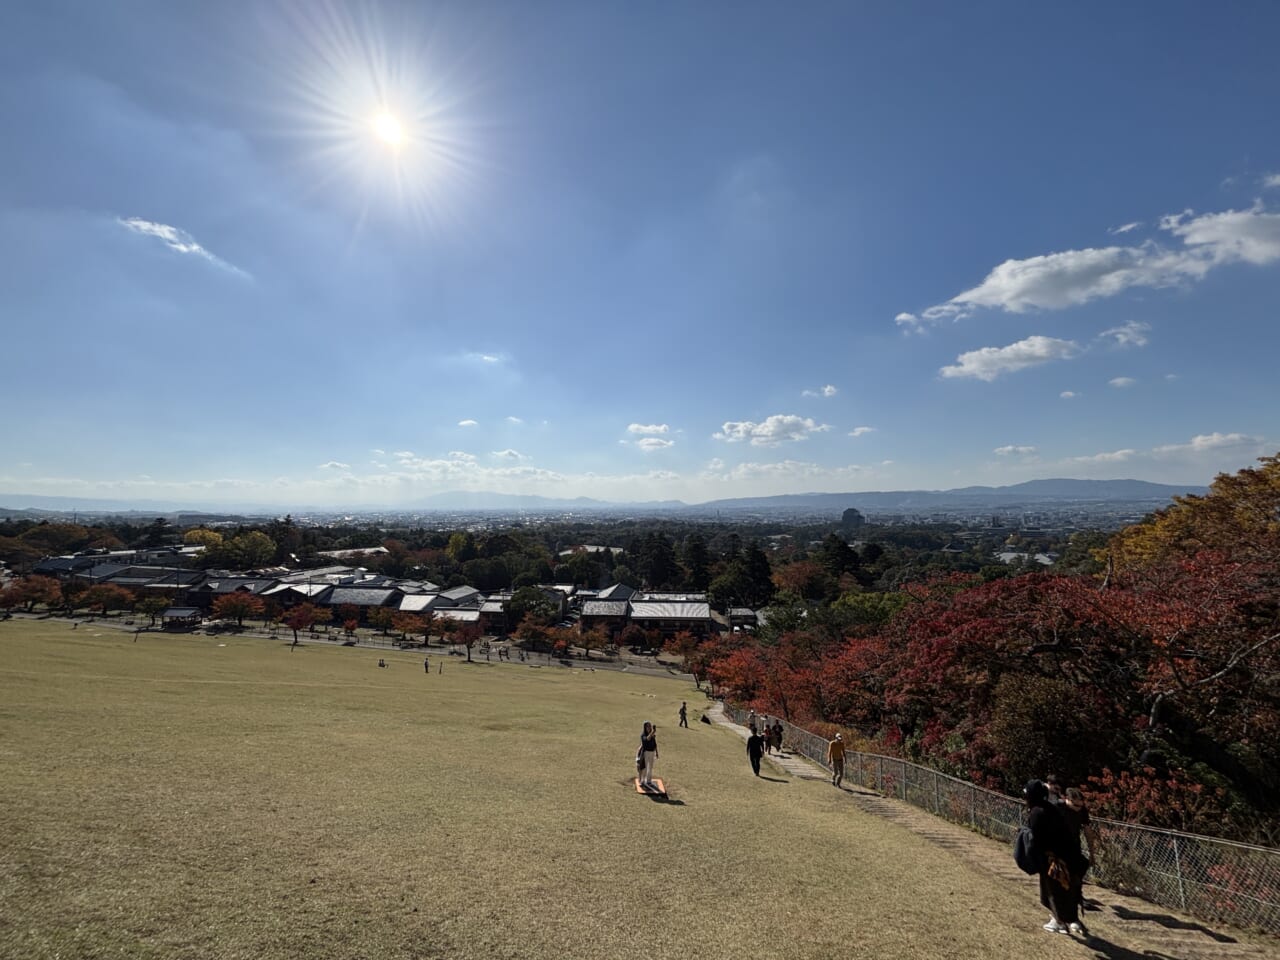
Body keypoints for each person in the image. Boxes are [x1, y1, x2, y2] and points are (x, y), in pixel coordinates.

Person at [1024, 779, 1083, 937]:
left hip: (1055, 859)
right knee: (1062, 890)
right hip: (1068, 855)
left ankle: (1059, 922)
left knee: (1054, 890)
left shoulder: (1037, 812)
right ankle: (1064, 920)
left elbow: (1037, 839)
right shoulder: (1050, 808)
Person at [1063, 787, 1101, 925]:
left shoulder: (1082, 811)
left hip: (1074, 846)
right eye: (1075, 805)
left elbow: (1087, 831)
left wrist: (1092, 853)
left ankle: (1077, 897)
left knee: (1080, 868)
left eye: (1080, 805)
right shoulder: (1058, 808)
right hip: (1059, 847)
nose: (1078, 808)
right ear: (1067, 799)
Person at [639, 721, 659, 786]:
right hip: (646, 753)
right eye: (648, 726)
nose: (649, 727)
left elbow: (655, 744)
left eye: (650, 726)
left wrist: (656, 752)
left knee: (650, 767)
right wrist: (652, 732)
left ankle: (649, 781)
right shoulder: (643, 735)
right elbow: (647, 739)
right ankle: (642, 781)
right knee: (644, 768)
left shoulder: (652, 735)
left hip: (652, 752)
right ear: (645, 727)